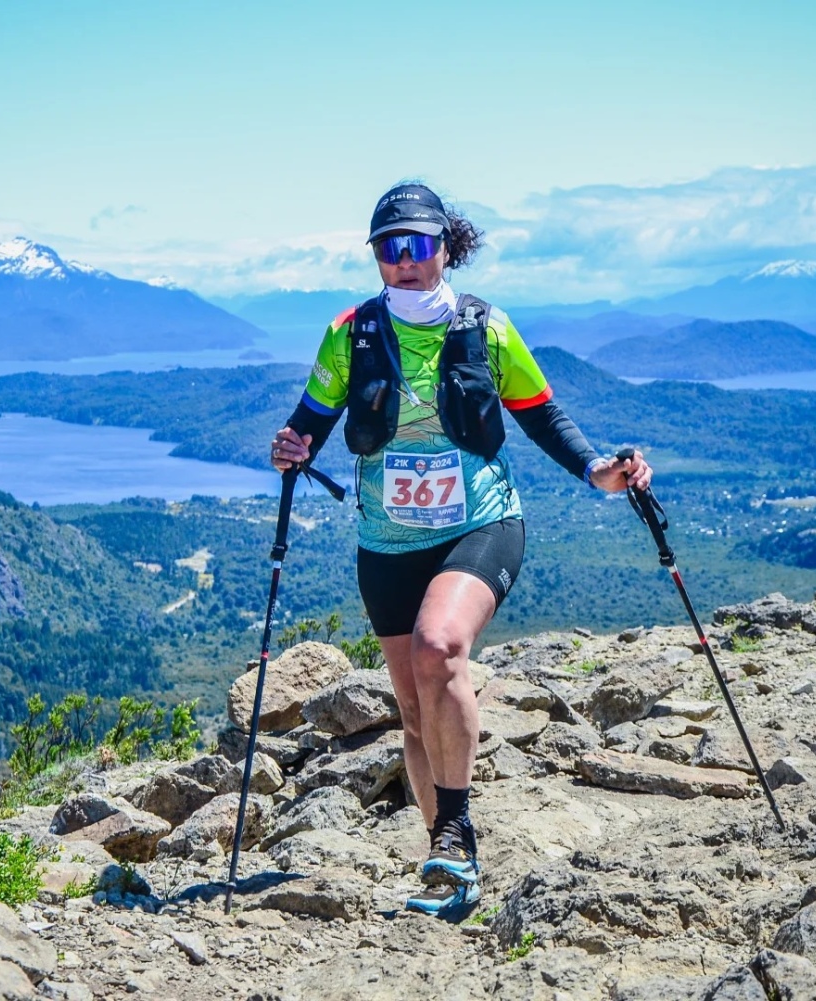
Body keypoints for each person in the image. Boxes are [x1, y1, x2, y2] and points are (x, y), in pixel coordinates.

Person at [270, 182, 652, 919]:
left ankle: (454, 823)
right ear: (376, 257)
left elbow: (542, 415)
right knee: (413, 713)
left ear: (447, 246)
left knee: (439, 645)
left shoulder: (487, 326)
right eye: (390, 248)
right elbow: (310, 421)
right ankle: (450, 865)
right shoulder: (350, 332)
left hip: (481, 520)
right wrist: (290, 447)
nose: (404, 261)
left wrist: (599, 470)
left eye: (418, 246)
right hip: (386, 540)